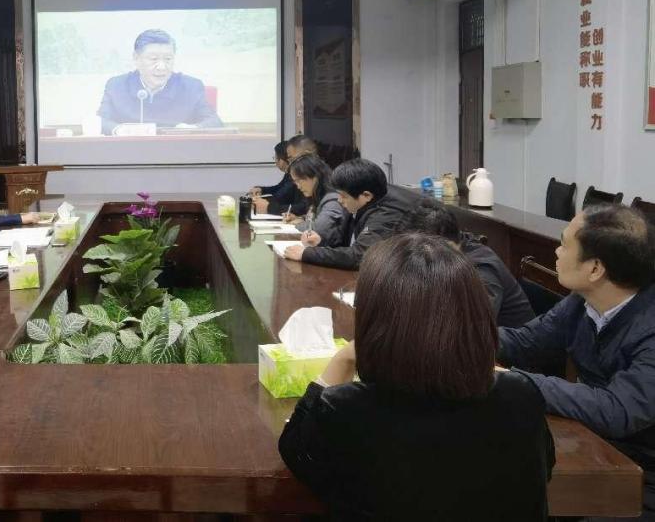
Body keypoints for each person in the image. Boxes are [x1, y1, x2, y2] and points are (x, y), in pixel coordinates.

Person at [279, 234, 555, 521]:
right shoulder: (521, 395)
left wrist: (343, 359)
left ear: (375, 320)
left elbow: (295, 452)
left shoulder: (345, 408)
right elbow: (543, 468)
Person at [498, 205, 655, 519]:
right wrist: (458, 342)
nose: (556, 252)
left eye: (564, 244)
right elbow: (523, 343)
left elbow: (617, 410)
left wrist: (517, 381)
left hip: (643, 473)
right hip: (598, 447)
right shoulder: (580, 303)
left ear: (595, 269)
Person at [398, 199, 535, 328]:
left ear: (446, 244)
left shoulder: (481, 271)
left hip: (504, 342)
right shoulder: (453, 249)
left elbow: (472, 328)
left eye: (418, 251)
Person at [283, 158, 408, 269]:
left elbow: (360, 256)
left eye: (343, 196)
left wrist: (306, 254)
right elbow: (350, 244)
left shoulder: (387, 213)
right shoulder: (368, 201)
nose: (339, 200)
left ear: (366, 195)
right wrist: (321, 243)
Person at [96, 29, 222, 134]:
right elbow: (100, 121)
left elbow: (214, 121)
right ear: (136, 58)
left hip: (177, 152)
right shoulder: (117, 86)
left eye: (168, 59)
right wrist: (119, 129)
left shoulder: (191, 86)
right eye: (153, 59)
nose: (162, 67)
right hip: (130, 152)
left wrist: (194, 129)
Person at [286, 154, 349, 249]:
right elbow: (317, 218)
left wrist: (295, 225)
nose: (298, 186)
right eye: (295, 182)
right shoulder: (318, 196)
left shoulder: (333, 199)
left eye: (299, 181)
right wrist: (300, 218)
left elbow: (317, 230)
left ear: (315, 176)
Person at [251, 134, 319, 216]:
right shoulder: (301, 173)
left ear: (306, 154)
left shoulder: (315, 176)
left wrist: (269, 207)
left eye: (292, 159)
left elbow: (304, 208)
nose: (290, 164)